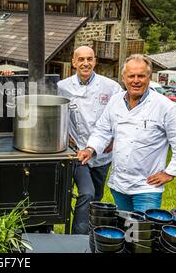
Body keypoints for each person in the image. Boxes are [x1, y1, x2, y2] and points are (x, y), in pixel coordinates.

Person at [78, 54, 176, 212]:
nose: (136, 80)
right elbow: (102, 130)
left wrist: (171, 171)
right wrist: (90, 149)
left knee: (143, 233)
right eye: (131, 76)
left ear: (149, 77)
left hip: (147, 187)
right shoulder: (115, 101)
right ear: (124, 78)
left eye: (141, 76)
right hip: (119, 184)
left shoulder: (164, 106)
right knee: (125, 228)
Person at [57, 46, 122, 235]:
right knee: (86, 192)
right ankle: (78, 238)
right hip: (78, 151)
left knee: (96, 197)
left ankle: (91, 234)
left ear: (95, 61)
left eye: (90, 59)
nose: (86, 63)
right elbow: (57, 114)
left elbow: (119, 115)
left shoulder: (111, 87)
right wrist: (64, 134)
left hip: (103, 154)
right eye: (81, 59)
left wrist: (113, 139)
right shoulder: (63, 86)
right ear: (74, 62)